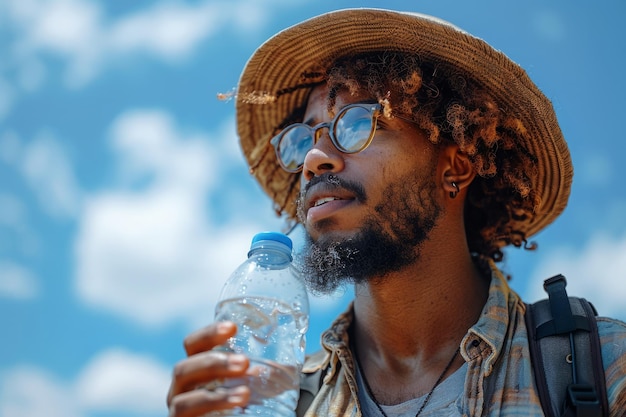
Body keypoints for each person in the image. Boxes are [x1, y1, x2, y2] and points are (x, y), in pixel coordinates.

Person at [167, 8, 626, 416]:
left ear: (456, 167)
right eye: (303, 140)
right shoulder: (282, 401)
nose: (313, 159)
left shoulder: (602, 369)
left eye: (358, 123)